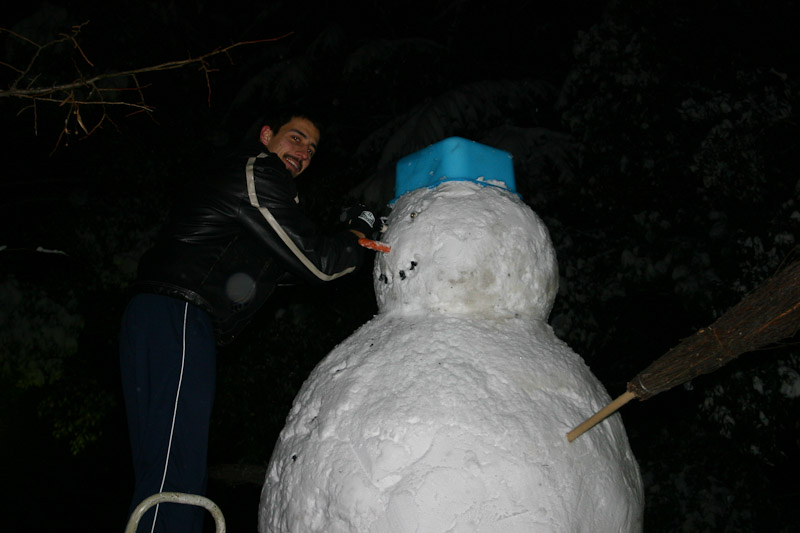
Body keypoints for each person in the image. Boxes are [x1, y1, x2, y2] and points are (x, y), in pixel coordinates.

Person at [119, 110, 376, 533]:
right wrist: (355, 233)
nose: (303, 152)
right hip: (178, 314)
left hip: (161, 315)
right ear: (266, 135)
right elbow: (320, 263)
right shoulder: (258, 173)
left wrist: (352, 247)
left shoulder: (252, 197)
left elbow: (292, 270)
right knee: (176, 466)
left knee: (162, 462)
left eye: (311, 148)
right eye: (295, 138)